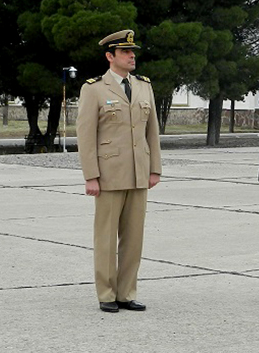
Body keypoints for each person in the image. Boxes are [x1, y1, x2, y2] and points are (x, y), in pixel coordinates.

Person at [76, 29, 162, 313]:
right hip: (109, 174)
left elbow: (152, 131)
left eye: (132, 51)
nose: (132, 55)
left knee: (133, 238)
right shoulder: (94, 88)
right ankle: (107, 294)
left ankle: (127, 292)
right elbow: (86, 134)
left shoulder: (143, 86)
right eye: (125, 52)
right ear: (110, 56)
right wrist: (91, 175)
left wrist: (154, 169)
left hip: (138, 173)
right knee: (105, 238)